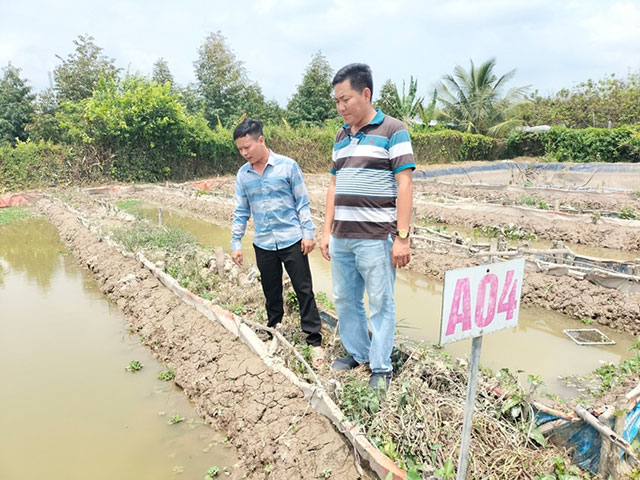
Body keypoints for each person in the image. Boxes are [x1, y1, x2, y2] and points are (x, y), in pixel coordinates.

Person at [319, 63, 415, 391]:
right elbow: (333, 185)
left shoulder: (393, 130)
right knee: (345, 299)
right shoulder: (340, 137)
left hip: (376, 238)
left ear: (366, 93)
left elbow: (405, 184)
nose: (340, 107)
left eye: (345, 99)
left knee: (380, 303)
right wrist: (325, 230)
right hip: (342, 236)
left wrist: (402, 237)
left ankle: (381, 366)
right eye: (336, 101)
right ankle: (358, 354)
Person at [231, 119, 324, 366]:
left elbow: (302, 202)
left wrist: (308, 233)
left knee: (303, 289)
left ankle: (314, 339)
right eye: (240, 150)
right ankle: (274, 328)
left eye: (247, 147)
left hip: (292, 239)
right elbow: (241, 211)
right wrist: (236, 241)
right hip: (263, 242)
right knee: (270, 290)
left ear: (261, 140)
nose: (244, 153)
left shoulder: (287, 166)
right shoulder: (243, 175)